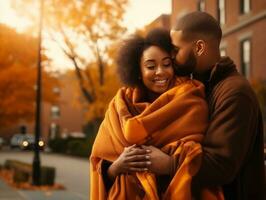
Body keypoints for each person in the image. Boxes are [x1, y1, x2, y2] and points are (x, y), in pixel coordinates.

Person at [89, 28, 215, 199]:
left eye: (166, 64)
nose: (160, 71)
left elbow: (205, 161)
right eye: (150, 66)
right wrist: (117, 166)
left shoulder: (191, 100)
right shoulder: (119, 106)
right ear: (138, 72)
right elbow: (99, 163)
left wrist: (170, 164)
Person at [169, 11, 265, 200]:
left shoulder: (235, 92)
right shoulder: (198, 88)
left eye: (176, 50)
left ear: (199, 47)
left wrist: (165, 163)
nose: (171, 57)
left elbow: (219, 165)